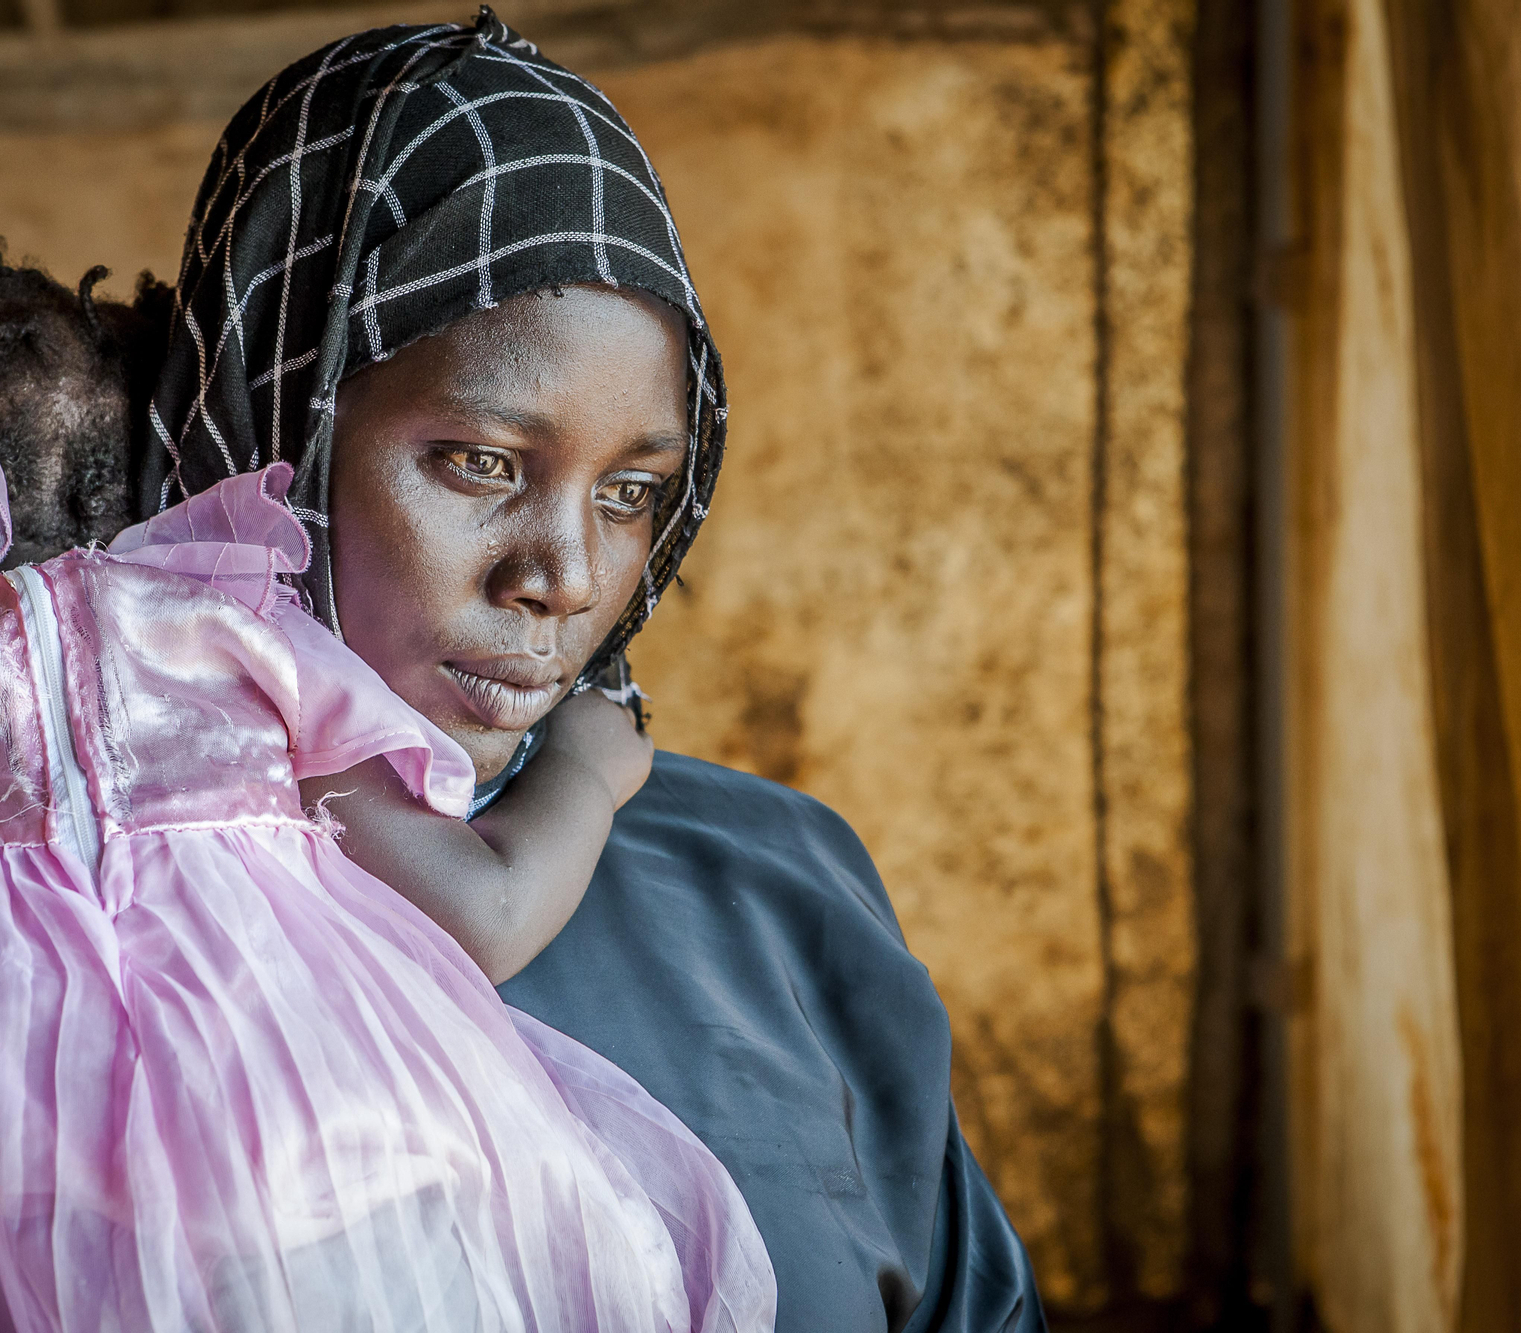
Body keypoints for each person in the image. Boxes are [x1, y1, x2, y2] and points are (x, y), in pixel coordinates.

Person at [0, 233, 772, 1329]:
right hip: (297, 1215)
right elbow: (490, 902)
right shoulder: (225, 640)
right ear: (169, 486)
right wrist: (591, 761)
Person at [136, 10, 1045, 1330]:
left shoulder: (778, 883)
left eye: (632, 491)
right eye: (481, 462)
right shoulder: (45, 939)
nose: (561, 575)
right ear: (277, 408)